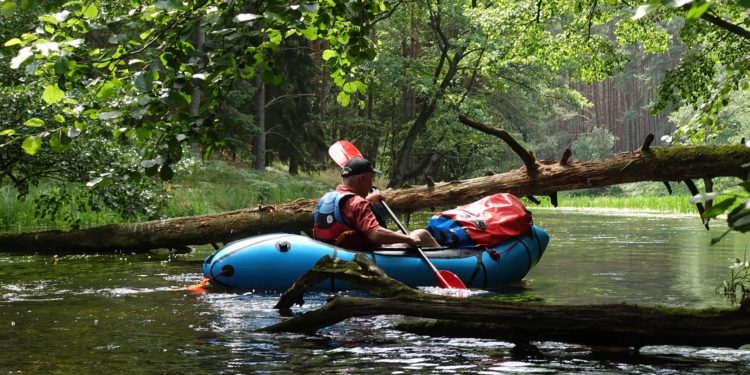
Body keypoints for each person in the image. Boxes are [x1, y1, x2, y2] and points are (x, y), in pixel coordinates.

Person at [313, 157, 440, 250]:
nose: (372, 184)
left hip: (337, 250)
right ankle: (451, 262)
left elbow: (348, 214)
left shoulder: (327, 198)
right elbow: (375, 234)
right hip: (366, 254)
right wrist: (409, 239)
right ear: (363, 179)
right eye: (370, 179)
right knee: (422, 234)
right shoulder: (358, 203)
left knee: (402, 232)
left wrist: (367, 199)